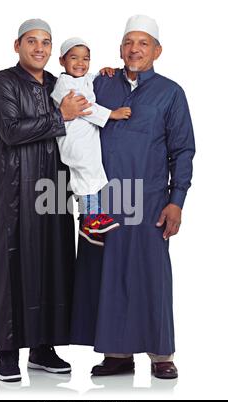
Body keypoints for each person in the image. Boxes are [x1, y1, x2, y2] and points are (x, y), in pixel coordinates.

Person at [71, 15, 195, 379]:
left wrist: (177, 200)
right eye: (128, 43)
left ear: (156, 50)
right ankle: (117, 353)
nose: (135, 49)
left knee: (150, 274)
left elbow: (183, 150)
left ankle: (161, 354)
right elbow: (72, 95)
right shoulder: (103, 85)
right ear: (120, 50)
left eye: (143, 43)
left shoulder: (170, 92)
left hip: (150, 199)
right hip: (103, 198)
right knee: (106, 273)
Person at [0, 19, 92, 382]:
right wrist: (59, 115)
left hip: (56, 187)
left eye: (46, 43)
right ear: (18, 46)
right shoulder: (3, 84)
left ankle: (43, 348)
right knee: (15, 265)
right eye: (32, 41)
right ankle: (8, 352)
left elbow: (88, 89)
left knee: (55, 263)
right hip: (17, 189)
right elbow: (11, 132)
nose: (40, 48)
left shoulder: (56, 84)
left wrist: (107, 71)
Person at [51, 38, 132, 246]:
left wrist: (103, 71)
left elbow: (90, 78)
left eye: (85, 59)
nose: (80, 63)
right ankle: (92, 218)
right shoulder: (64, 84)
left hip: (87, 138)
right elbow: (84, 106)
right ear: (61, 61)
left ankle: (91, 223)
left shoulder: (82, 78)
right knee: (86, 175)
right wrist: (112, 114)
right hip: (75, 140)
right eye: (74, 58)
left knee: (91, 175)